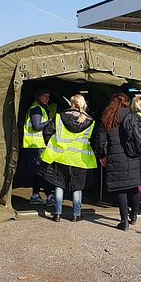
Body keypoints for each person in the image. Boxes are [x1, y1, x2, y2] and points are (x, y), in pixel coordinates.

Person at [96, 93, 141, 231]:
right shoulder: (134, 116)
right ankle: (133, 216)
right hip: (134, 156)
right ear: (126, 103)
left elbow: (100, 140)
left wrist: (102, 155)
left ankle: (124, 221)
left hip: (116, 158)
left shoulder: (107, 119)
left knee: (121, 189)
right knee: (133, 187)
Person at [38, 94, 97, 222]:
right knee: (77, 187)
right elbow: (94, 140)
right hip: (80, 159)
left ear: (71, 104)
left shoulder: (59, 117)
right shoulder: (90, 121)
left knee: (59, 184)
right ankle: (76, 214)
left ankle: (57, 213)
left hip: (60, 156)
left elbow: (47, 131)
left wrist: (51, 144)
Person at [21, 88, 55, 206]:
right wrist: (50, 122)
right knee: (44, 171)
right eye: (45, 96)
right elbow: (36, 126)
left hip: (36, 145)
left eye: (48, 96)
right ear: (38, 97)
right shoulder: (36, 109)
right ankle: (49, 196)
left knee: (38, 171)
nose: (47, 99)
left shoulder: (40, 108)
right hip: (35, 145)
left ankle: (36, 195)